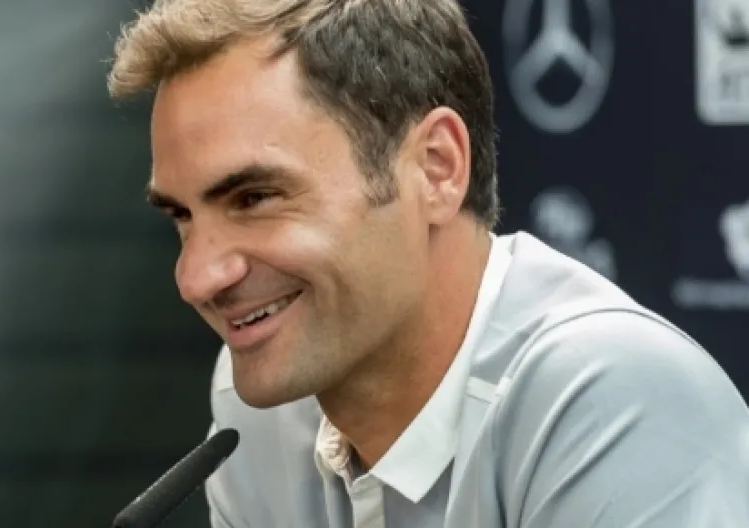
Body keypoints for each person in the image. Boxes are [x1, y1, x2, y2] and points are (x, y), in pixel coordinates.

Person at [106, 0, 749, 526]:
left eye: (255, 198)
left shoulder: (611, 399)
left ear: (436, 169)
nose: (196, 278)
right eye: (182, 217)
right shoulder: (260, 401)